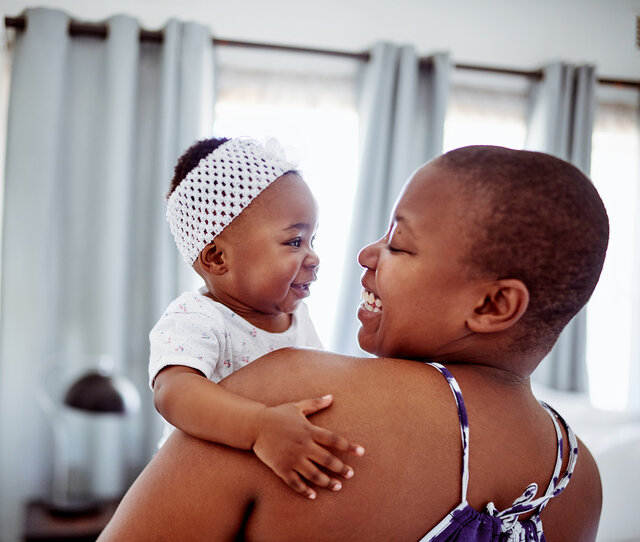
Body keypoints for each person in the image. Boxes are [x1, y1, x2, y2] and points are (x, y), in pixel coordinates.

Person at [100, 145, 606, 541]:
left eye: (398, 245)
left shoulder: (288, 395)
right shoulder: (581, 484)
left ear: (493, 305)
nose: (365, 254)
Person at [149, 136, 364, 500]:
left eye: (313, 240)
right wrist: (258, 428)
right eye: (295, 242)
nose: (313, 257)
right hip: (195, 486)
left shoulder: (299, 317)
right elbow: (173, 392)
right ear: (217, 258)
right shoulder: (198, 318)